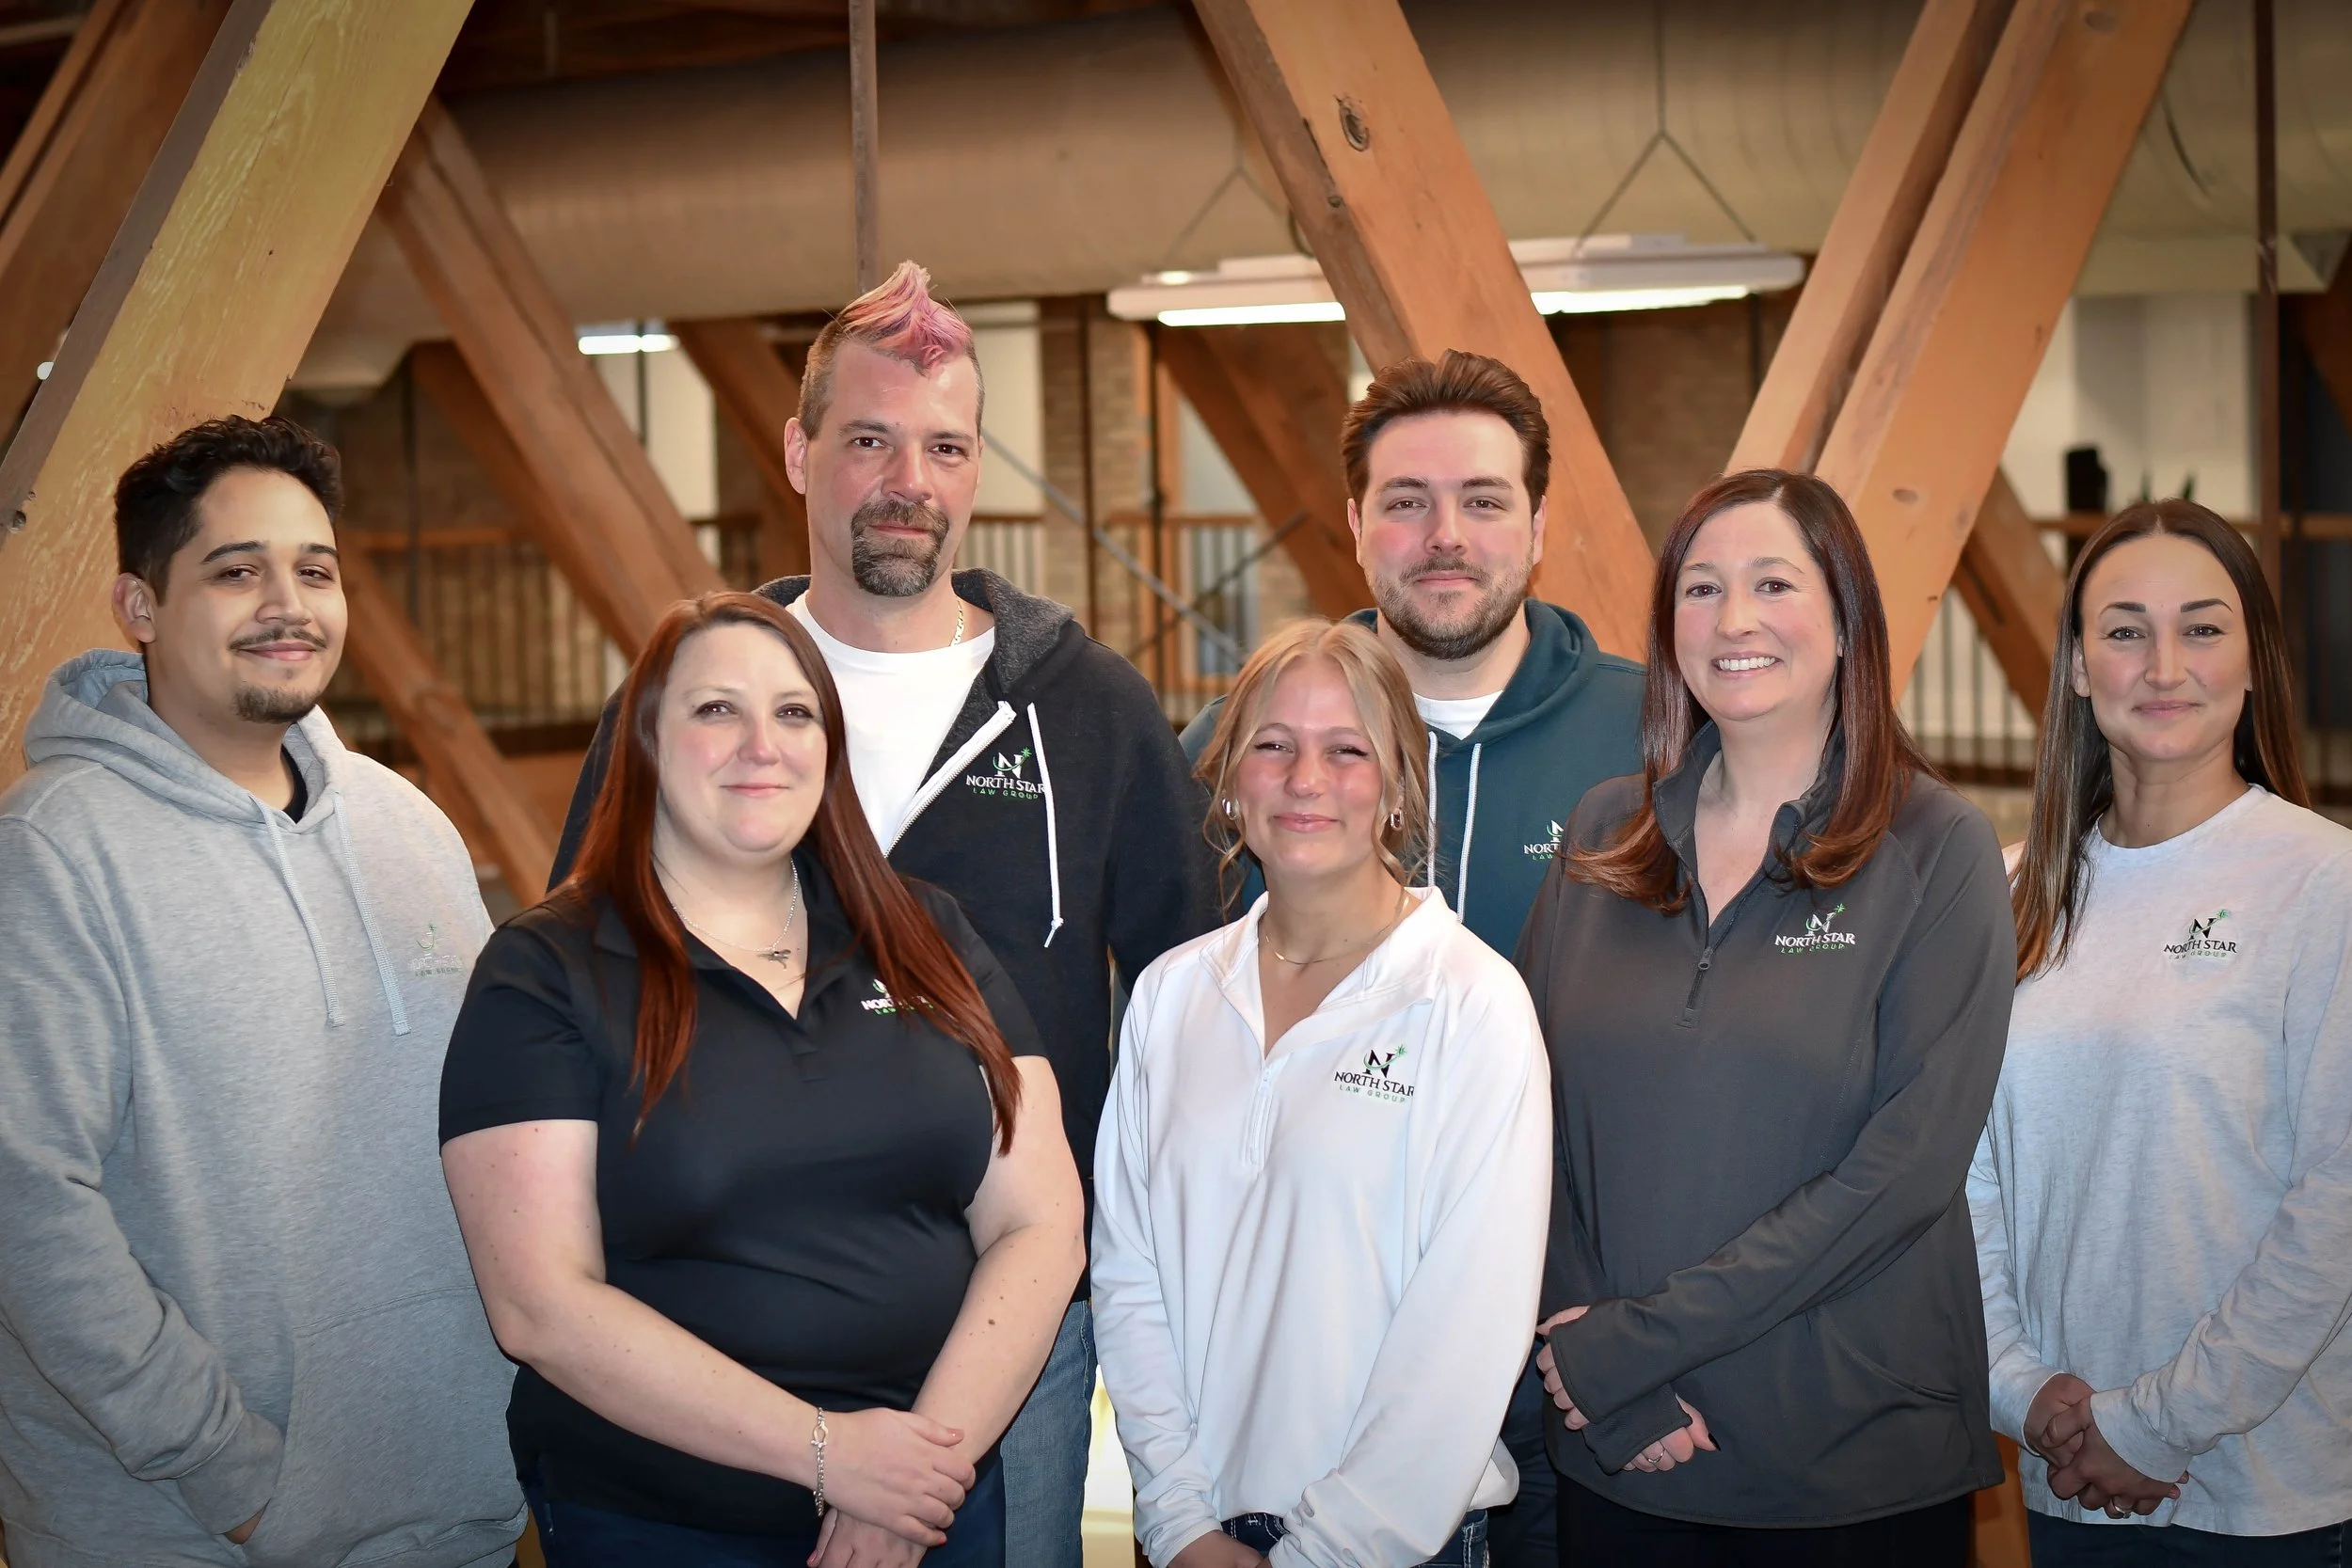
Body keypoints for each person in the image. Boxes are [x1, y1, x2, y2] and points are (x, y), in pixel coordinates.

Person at [551, 262, 1218, 1567]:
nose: (910, 479)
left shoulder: (1090, 708)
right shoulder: (690, 702)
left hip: (1012, 1329)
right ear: (800, 454)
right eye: (869, 440)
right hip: (715, 1323)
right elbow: (584, 968)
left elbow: (1189, 1002)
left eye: (946, 447)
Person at [442, 592, 1085, 1566]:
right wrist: (832, 1455)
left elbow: (1040, 1220)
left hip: (931, 1510)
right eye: (716, 709)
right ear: (646, 740)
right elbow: (539, 1304)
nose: (762, 745)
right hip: (670, 1526)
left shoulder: (925, 932)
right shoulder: (546, 970)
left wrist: (911, 1476)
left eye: (793, 713)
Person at [0, 417, 523, 1567]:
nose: (289, 605)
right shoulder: (51, 852)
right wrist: (230, 1475)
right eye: (237, 571)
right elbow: (26, 1200)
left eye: (315, 570)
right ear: (140, 607)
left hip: (454, 1508)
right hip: (181, 1530)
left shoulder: (408, 825)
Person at [1179, 350, 1641, 1565]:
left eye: (1483, 500)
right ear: (1352, 522)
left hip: (1584, 1365)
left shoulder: (1650, 744)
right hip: (1309, 1380)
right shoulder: (1244, 750)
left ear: (1538, 523)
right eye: (1405, 500)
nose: (1445, 535)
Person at [1519, 469, 2015, 1564]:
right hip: (1618, 1443)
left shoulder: (1938, 849)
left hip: (1844, 1463)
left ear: (1846, 619)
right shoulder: (1601, 835)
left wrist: (1635, 1344)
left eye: (1773, 583)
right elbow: (1519, 1118)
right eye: (1701, 588)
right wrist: (1598, 1364)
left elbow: (1904, 1170)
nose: (1733, 618)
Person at [1096, 618, 1552, 1568]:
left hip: (1391, 1544)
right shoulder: (1172, 995)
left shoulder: (1469, 1004)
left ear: (1397, 785)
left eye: (1347, 750)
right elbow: (1128, 1274)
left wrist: (1328, 1551)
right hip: (1193, 1534)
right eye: (1273, 745)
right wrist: (1178, 1520)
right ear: (1231, 780)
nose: (1306, 779)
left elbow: (1466, 1332)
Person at [1970, 499, 2352, 1564]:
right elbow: (1965, 1180)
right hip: (2063, 1474)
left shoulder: (2322, 882)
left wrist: (2150, 1424)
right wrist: (2020, 1387)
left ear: (2253, 658)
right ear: (2078, 667)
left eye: (2203, 627)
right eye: (2126, 630)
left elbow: (2336, 1201)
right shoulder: (2009, 892)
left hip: (2264, 1498)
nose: (2164, 665)